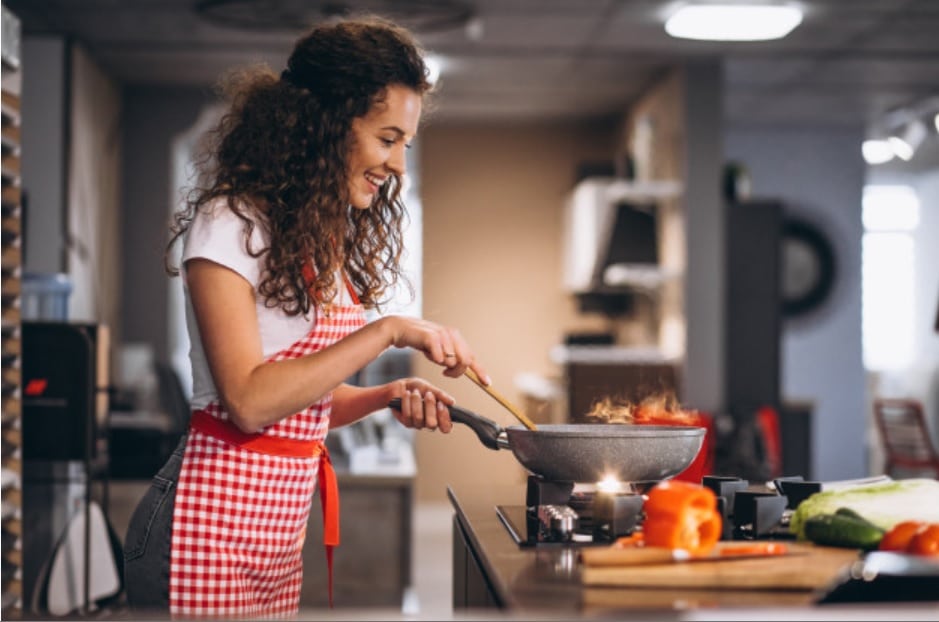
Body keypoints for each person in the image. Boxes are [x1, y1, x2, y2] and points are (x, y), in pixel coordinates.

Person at [122, 15, 489, 619]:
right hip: (202, 525)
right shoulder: (231, 222)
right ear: (325, 126)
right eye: (387, 138)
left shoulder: (312, 238)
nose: (397, 164)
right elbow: (248, 401)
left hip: (272, 538)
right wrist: (390, 329)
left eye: (405, 144)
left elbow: (302, 401)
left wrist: (386, 395)